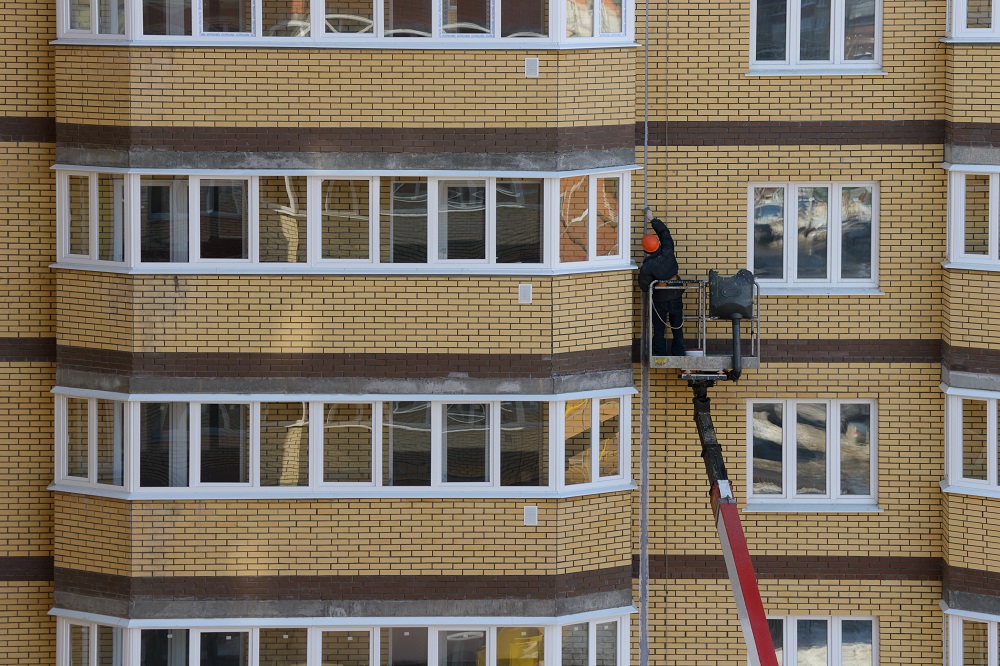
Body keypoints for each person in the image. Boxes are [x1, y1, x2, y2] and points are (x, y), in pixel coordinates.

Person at [638, 215, 685, 356]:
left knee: (658, 329)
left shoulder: (648, 265)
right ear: (658, 244)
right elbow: (665, 233)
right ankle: (678, 354)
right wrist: (653, 220)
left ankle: (660, 355)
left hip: (660, 298)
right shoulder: (667, 250)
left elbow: (644, 286)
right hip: (676, 293)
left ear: (646, 250)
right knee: (677, 327)